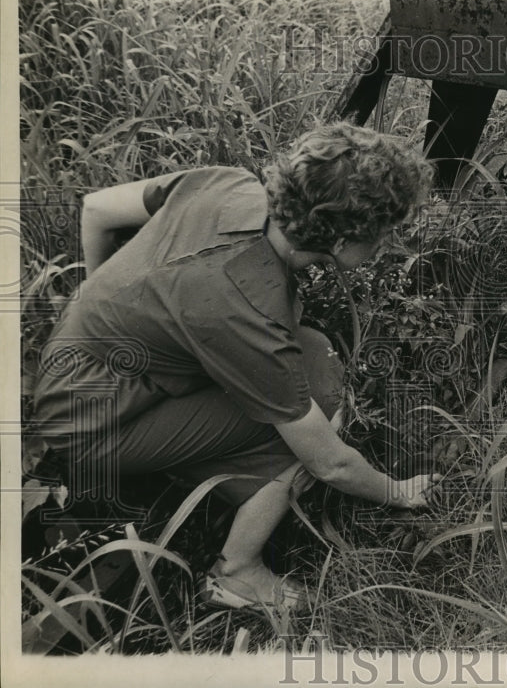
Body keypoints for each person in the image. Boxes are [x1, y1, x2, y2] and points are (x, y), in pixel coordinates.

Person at [32, 122, 439, 612]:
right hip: (87, 425)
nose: (387, 244)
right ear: (345, 236)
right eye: (384, 232)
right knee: (319, 403)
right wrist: (398, 492)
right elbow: (330, 462)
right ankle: (236, 573)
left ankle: (211, 472)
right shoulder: (250, 312)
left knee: (310, 350)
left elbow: (97, 210)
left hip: (72, 362)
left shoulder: (226, 183)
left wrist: (99, 302)